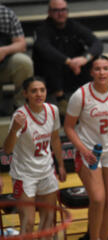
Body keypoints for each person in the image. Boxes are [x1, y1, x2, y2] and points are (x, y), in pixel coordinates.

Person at [64, 55, 108, 240]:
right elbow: (68, 127)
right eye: (97, 69)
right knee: (98, 199)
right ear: (91, 72)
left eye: (105, 68)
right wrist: (83, 151)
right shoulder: (81, 95)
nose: (101, 72)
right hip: (89, 153)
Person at [3, 77, 66, 236]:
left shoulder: (53, 110)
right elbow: (8, 149)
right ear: (25, 94)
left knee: (48, 221)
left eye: (42, 90)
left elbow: (56, 139)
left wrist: (61, 165)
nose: (38, 94)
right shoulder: (20, 116)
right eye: (33, 91)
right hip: (24, 175)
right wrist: (14, 128)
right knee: (28, 222)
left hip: (46, 172)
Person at [33, 0, 103, 116]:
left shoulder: (73, 26)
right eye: (56, 10)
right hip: (50, 75)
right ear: (49, 12)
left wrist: (84, 59)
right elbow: (44, 48)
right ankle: (61, 101)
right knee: (49, 58)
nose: (60, 14)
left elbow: (97, 43)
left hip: (73, 71)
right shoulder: (42, 29)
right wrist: (69, 62)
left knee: (93, 59)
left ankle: (90, 98)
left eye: (63, 10)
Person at [0, 4, 33, 114]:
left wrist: (4, 50)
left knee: (24, 62)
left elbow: (21, 44)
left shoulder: (6, 13)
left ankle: (21, 105)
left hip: (4, 64)